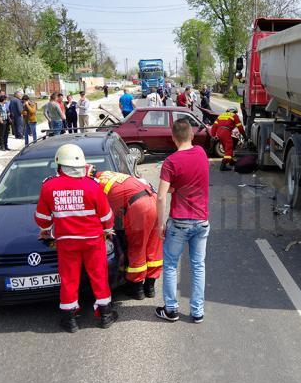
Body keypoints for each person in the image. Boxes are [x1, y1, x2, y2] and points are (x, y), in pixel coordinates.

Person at [34, 144, 118, 333]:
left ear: (59, 165)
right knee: (98, 276)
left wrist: (46, 231)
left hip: (66, 242)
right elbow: (106, 216)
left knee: (69, 279)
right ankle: (105, 315)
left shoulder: (49, 187)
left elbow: (42, 218)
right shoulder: (93, 186)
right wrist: (108, 230)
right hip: (93, 240)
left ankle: (69, 319)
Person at [155, 118, 210, 323]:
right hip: (201, 221)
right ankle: (197, 312)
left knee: (170, 265)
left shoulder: (170, 162)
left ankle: (171, 310)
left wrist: (160, 224)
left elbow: (161, 196)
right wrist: (176, 186)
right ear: (192, 135)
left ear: (173, 138)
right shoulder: (202, 154)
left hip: (179, 221)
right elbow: (195, 179)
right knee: (198, 266)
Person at [87, 167, 163, 300]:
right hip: (153, 199)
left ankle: (137, 289)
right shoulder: (109, 174)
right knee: (153, 245)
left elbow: (100, 213)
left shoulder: (95, 185)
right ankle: (150, 287)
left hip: (139, 207)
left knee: (137, 247)